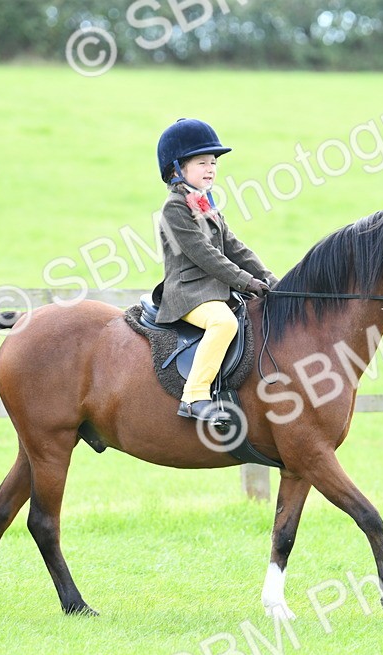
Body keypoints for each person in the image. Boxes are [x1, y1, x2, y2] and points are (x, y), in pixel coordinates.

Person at [153, 118, 278, 425]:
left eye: (213, 163)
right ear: (177, 168)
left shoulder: (204, 203)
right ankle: (194, 396)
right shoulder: (174, 208)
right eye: (202, 162)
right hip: (188, 294)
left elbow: (234, 247)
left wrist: (270, 278)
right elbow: (205, 255)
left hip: (215, 291)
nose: (210, 169)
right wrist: (246, 281)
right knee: (223, 323)